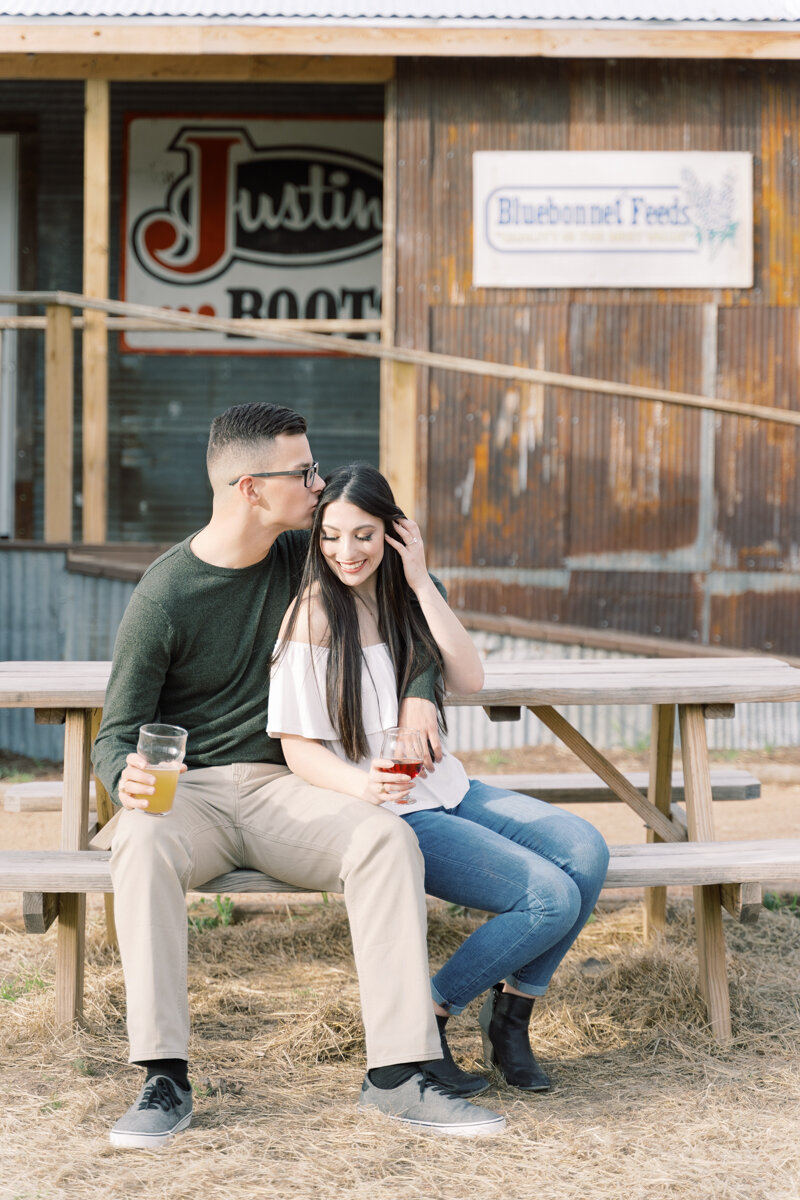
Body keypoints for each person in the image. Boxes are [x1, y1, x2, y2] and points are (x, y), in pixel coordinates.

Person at [92, 403, 506, 1149]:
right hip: (190, 796)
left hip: (292, 788)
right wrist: (121, 779)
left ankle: (398, 1074)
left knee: (382, 839)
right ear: (251, 488)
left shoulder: (310, 556)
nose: (318, 486)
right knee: (141, 840)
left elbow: (407, 622)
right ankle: (163, 1076)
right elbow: (117, 733)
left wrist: (419, 694)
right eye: (304, 473)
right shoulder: (166, 594)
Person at [267, 463, 610, 1098]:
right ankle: (430, 1013)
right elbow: (296, 749)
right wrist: (360, 787)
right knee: (548, 899)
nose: (348, 553)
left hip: (448, 789)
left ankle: (512, 1019)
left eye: (365, 535)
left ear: (394, 532)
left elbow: (469, 677)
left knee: (586, 849)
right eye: (332, 537)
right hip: (395, 811)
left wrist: (421, 578)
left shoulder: (406, 595)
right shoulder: (311, 619)